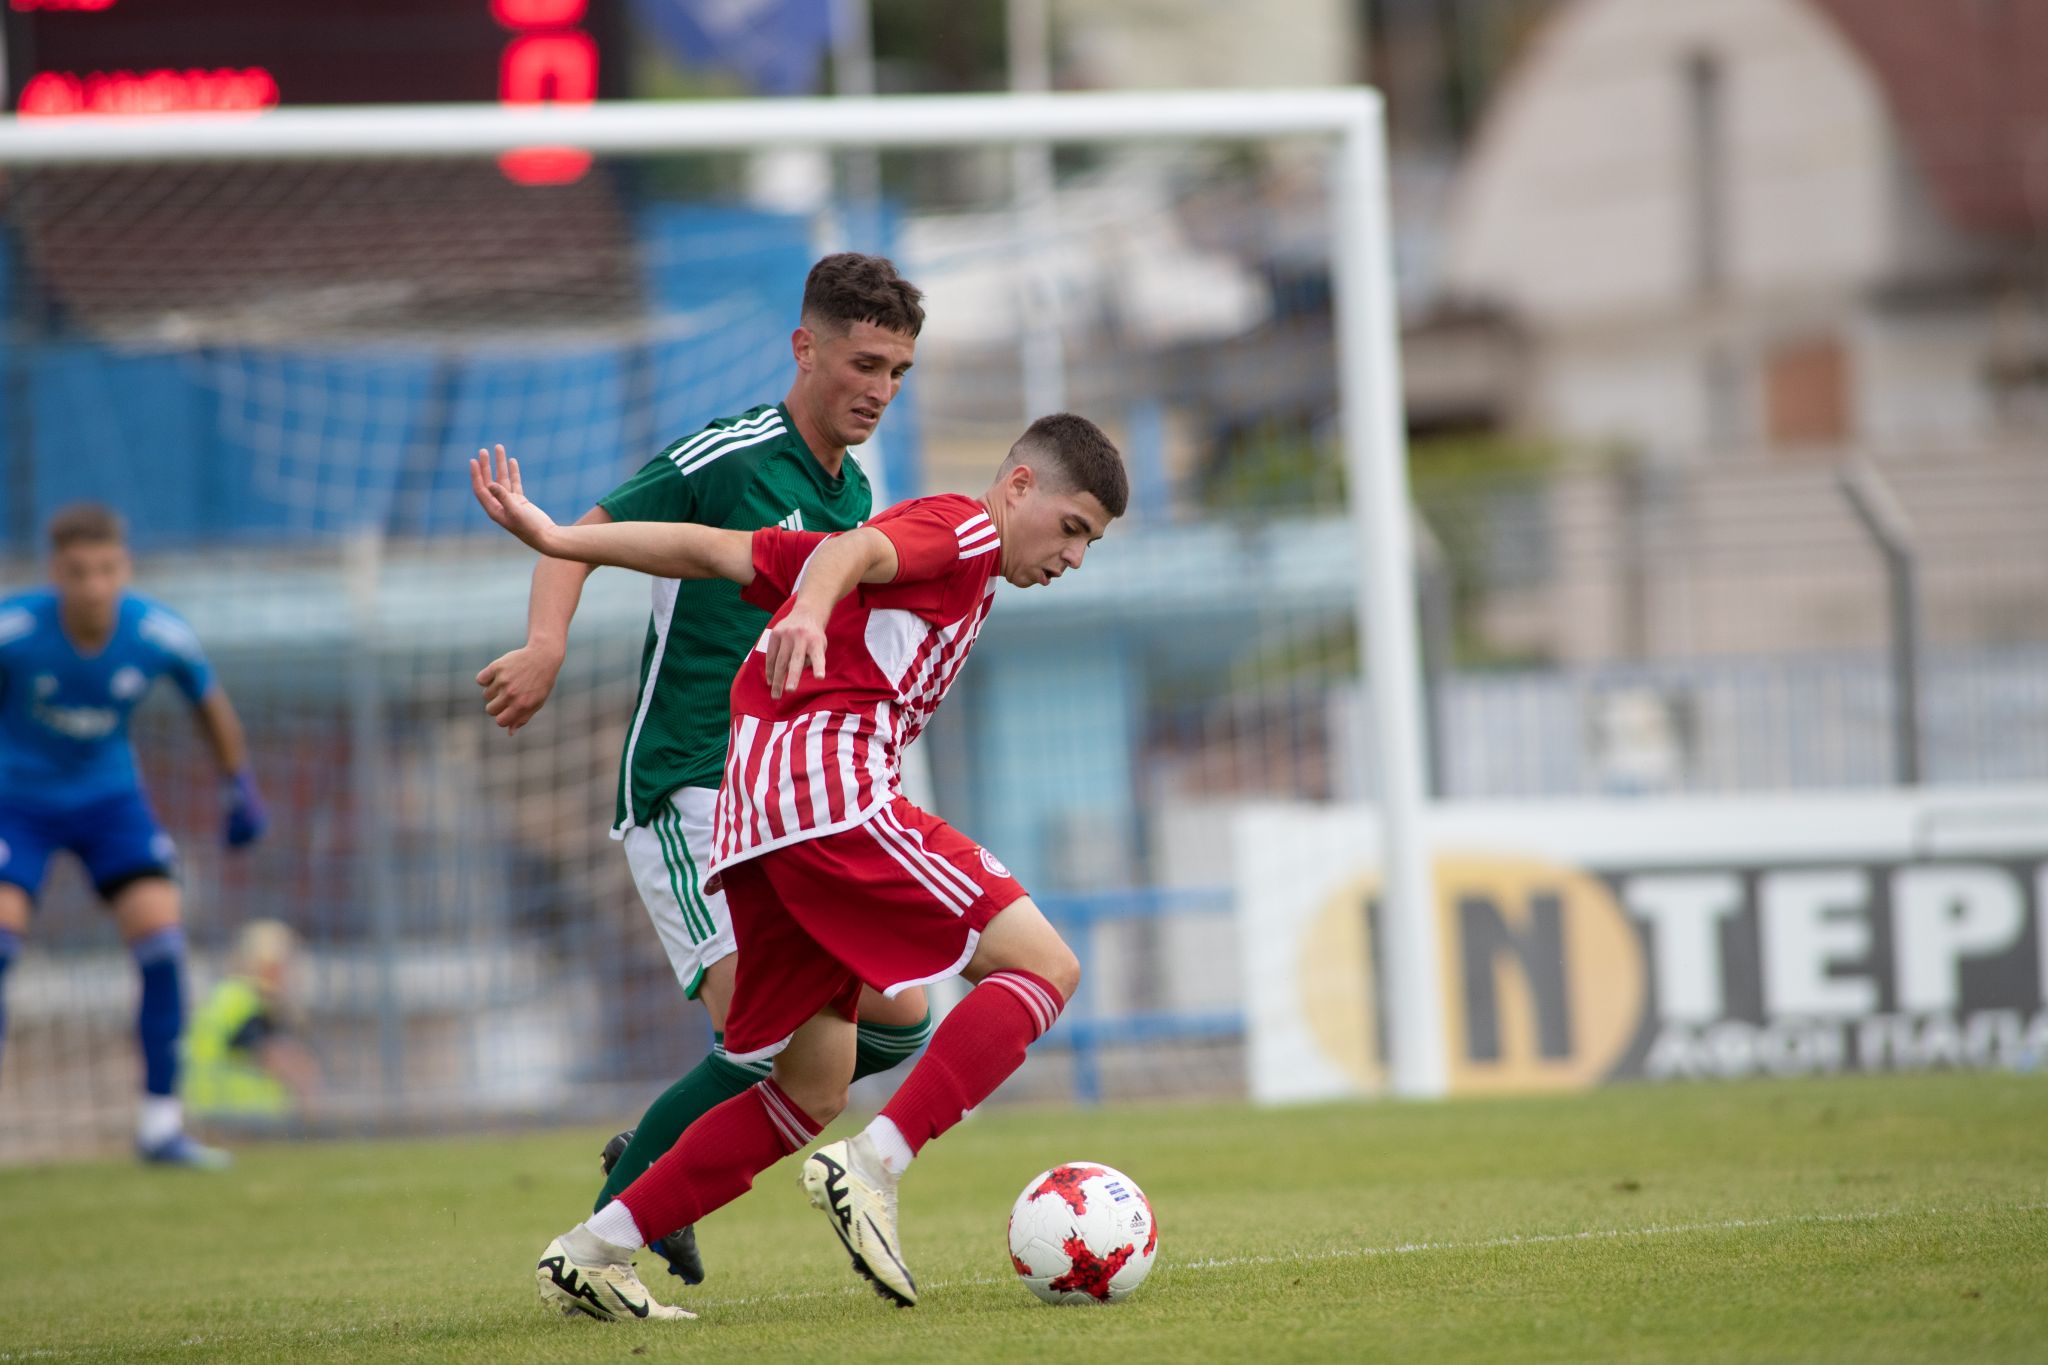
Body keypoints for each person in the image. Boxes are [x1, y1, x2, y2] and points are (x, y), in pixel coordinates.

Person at [469, 410, 1128, 1323]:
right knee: (1046, 966)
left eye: (1091, 543)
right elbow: (850, 551)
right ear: (1020, 486)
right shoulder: (965, 531)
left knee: (812, 1084)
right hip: (829, 797)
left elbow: (716, 550)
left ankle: (593, 1251)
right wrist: (812, 608)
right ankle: (876, 1164)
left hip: (759, 817)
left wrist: (559, 538)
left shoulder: (941, 558)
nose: (1074, 557)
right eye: (1072, 528)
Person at [475, 252, 935, 1285]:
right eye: (864, 363)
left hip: (787, 804)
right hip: (689, 786)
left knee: (902, 1017)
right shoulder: (731, 455)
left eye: (898, 372)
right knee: (764, 1037)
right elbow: (579, 535)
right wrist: (546, 645)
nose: (880, 389)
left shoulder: (854, 493)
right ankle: (615, 1227)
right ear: (804, 348)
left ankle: (649, 1160)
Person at [0, 502, 268, 1168]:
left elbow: (210, 706)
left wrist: (238, 786)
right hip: (16, 804)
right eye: (78, 571)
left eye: (106, 569)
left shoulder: (157, 633)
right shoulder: (15, 629)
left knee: (162, 946)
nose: (93, 585)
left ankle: (160, 1126)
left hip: (110, 801)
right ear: (55, 572)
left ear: (125, 567)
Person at [183, 917, 319, 1129]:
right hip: (240, 1117)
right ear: (269, 966)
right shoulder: (249, 1001)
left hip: (209, 1112)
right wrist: (306, 1088)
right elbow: (275, 1056)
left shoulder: (228, 996)